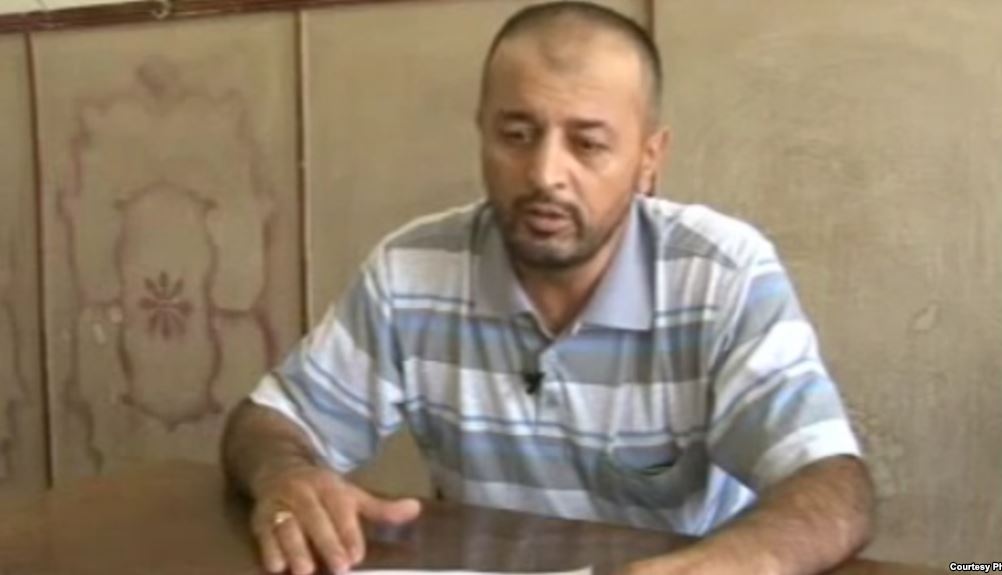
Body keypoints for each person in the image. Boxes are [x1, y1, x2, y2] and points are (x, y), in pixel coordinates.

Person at [221, 2, 875, 575]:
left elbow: (831, 485)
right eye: (517, 135)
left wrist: (732, 564)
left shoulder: (720, 275)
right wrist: (286, 474)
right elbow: (271, 421)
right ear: (482, 132)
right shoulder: (411, 272)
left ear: (648, 160)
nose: (543, 175)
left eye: (587, 144)